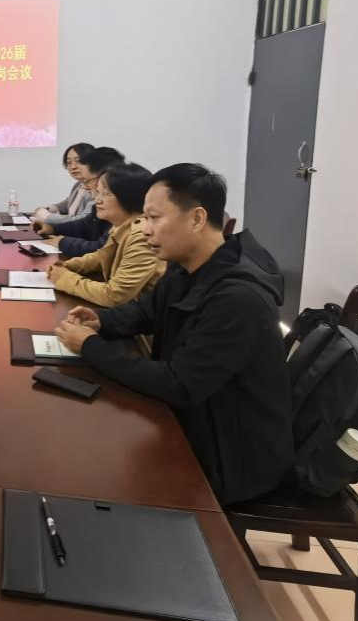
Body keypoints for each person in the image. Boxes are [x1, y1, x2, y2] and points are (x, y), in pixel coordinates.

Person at [53, 164, 292, 505]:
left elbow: (179, 384)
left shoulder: (238, 298)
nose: (144, 229)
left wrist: (90, 346)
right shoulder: (190, 263)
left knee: (89, 470)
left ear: (196, 219)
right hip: (193, 420)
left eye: (153, 218)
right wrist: (101, 322)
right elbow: (147, 311)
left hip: (229, 455)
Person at [46, 163, 165, 308]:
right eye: (97, 192)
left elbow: (114, 296)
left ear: (129, 196)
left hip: (141, 317)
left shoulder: (142, 235)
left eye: (106, 194)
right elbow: (102, 256)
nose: (97, 200)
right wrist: (70, 265)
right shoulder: (122, 225)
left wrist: (65, 278)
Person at [37, 146, 125, 256]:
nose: (85, 186)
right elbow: (86, 224)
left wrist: (63, 242)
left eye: (87, 181)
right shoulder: (104, 201)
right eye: (68, 162)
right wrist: (53, 229)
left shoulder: (119, 209)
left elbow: (101, 249)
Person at [32, 142, 96, 226]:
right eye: (68, 162)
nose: (73, 167)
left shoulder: (97, 188)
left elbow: (82, 220)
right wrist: (48, 209)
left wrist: (46, 217)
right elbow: (67, 204)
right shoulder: (79, 184)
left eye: (78, 161)